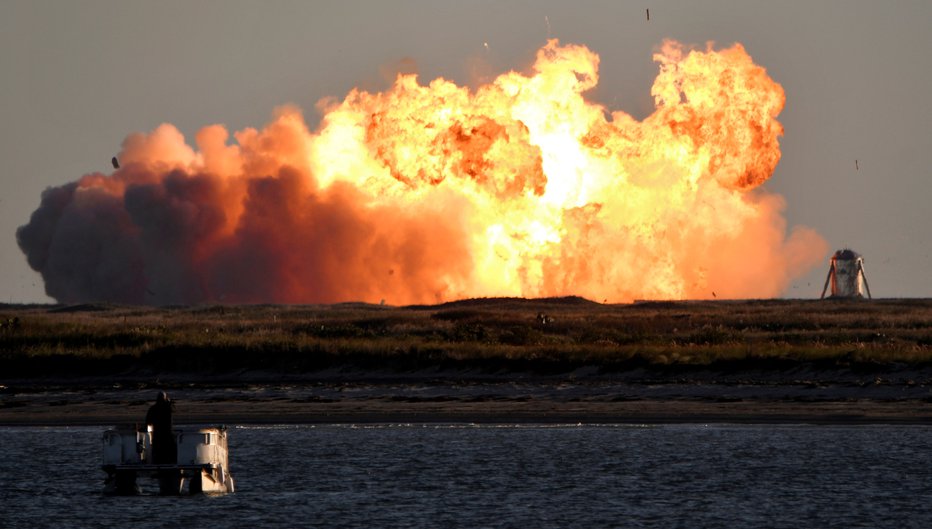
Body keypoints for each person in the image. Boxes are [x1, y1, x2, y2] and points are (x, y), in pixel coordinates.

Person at [145, 391, 176, 464]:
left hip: (157, 433)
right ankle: (169, 462)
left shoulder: (153, 408)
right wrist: (169, 402)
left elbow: (148, 421)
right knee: (169, 449)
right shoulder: (167, 407)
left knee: (157, 450)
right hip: (167, 433)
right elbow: (173, 409)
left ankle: (157, 464)